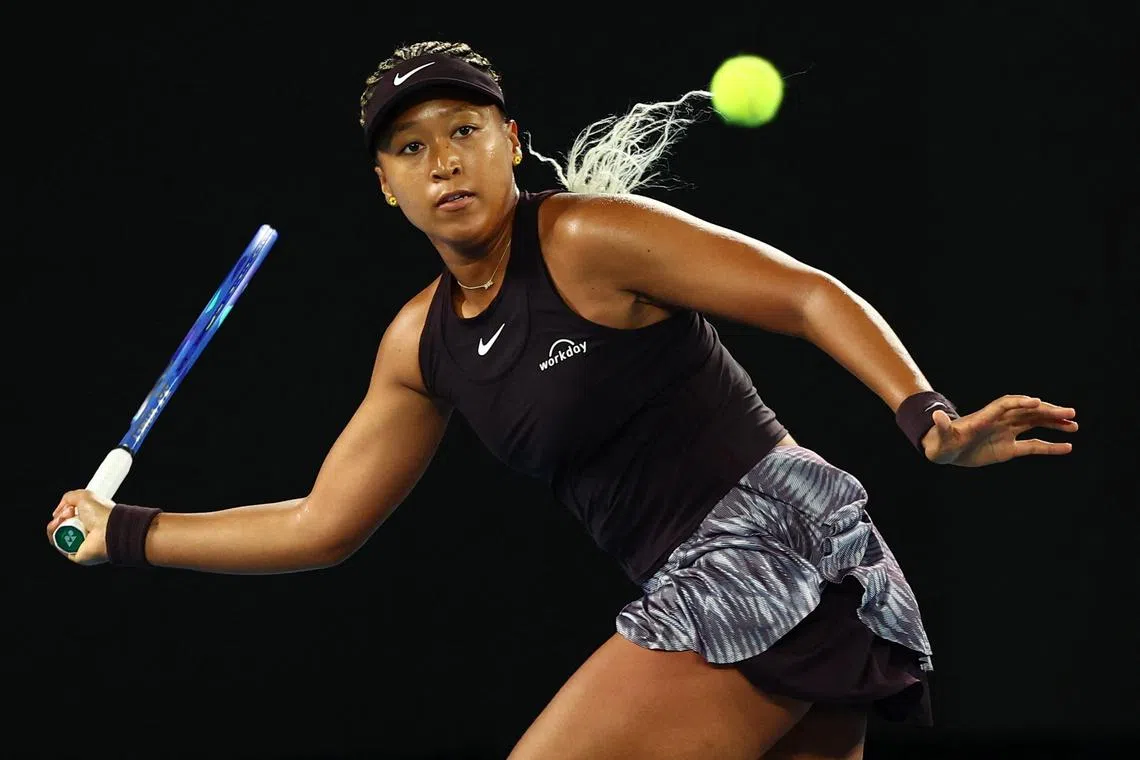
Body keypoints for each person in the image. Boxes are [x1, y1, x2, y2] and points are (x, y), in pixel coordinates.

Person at [47, 40, 1078, 759]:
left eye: (464, 130)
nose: (443, 160)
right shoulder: (420, 342)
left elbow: (806, 294)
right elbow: (324, 523)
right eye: (411, 147)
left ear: (509, 138)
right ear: (384, 185)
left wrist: (926, 415)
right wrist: (128, 533)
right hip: (745, 582)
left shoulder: (583, 236)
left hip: (777, 550)